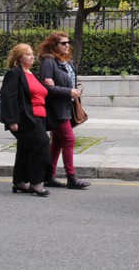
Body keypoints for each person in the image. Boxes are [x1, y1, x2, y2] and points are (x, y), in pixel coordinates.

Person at [38, 32, 90, 190]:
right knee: (69, 140)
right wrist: (68, 92)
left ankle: (48, 176)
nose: (67, 45)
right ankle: (71, 177)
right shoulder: (49, 62)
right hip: (55, 109)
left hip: (66, 106)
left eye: (68, 42)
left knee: (58, 142)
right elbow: (45, 87)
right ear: (54, 46)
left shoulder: (68, 62)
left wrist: (72, 93)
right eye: (63, 43)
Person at [0, 44, 52, 196]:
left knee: (25, 148)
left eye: (32, 54)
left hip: (39, 117)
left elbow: (37, 93)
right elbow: (8, 97)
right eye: (27, 54)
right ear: (19, 57)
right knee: (42, 144)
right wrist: (11, 121)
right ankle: (36, 183)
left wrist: (48, 85)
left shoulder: (32, 74)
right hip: (26, 118)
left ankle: (19, 181)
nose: (31, 56)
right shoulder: (15, 73)